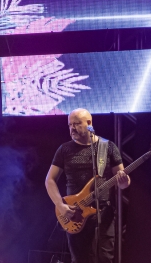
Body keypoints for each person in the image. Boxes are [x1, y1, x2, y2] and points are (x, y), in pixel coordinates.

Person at [45, 108, 129, 263]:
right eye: (70, 125)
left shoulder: (108, 147)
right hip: (75, 214)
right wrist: (60, 205)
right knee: (80, 259)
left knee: (105, 258)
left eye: (77, 124)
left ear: (89, 123)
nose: (72, 128)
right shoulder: (64, 149)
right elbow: (50, 180)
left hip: (104, 212)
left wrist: (124, 182)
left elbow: (122, 180)